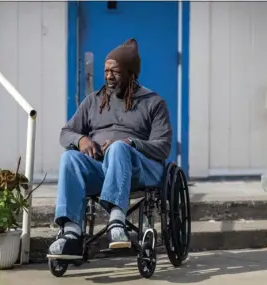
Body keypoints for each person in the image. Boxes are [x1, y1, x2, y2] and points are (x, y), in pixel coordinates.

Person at [47, 38, 173, 260]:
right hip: (103, 171)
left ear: (131, 73)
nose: (108, 77)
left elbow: (162, 148)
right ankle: (71, 233)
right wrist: (81, 140)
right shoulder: (94, 101)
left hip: (140, 171)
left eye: (115, 72)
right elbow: (65, 133)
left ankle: (117, 219)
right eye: (106, 71)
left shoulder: (153, 103)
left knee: (118, 149)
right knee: (70, 158)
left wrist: (130, 143)